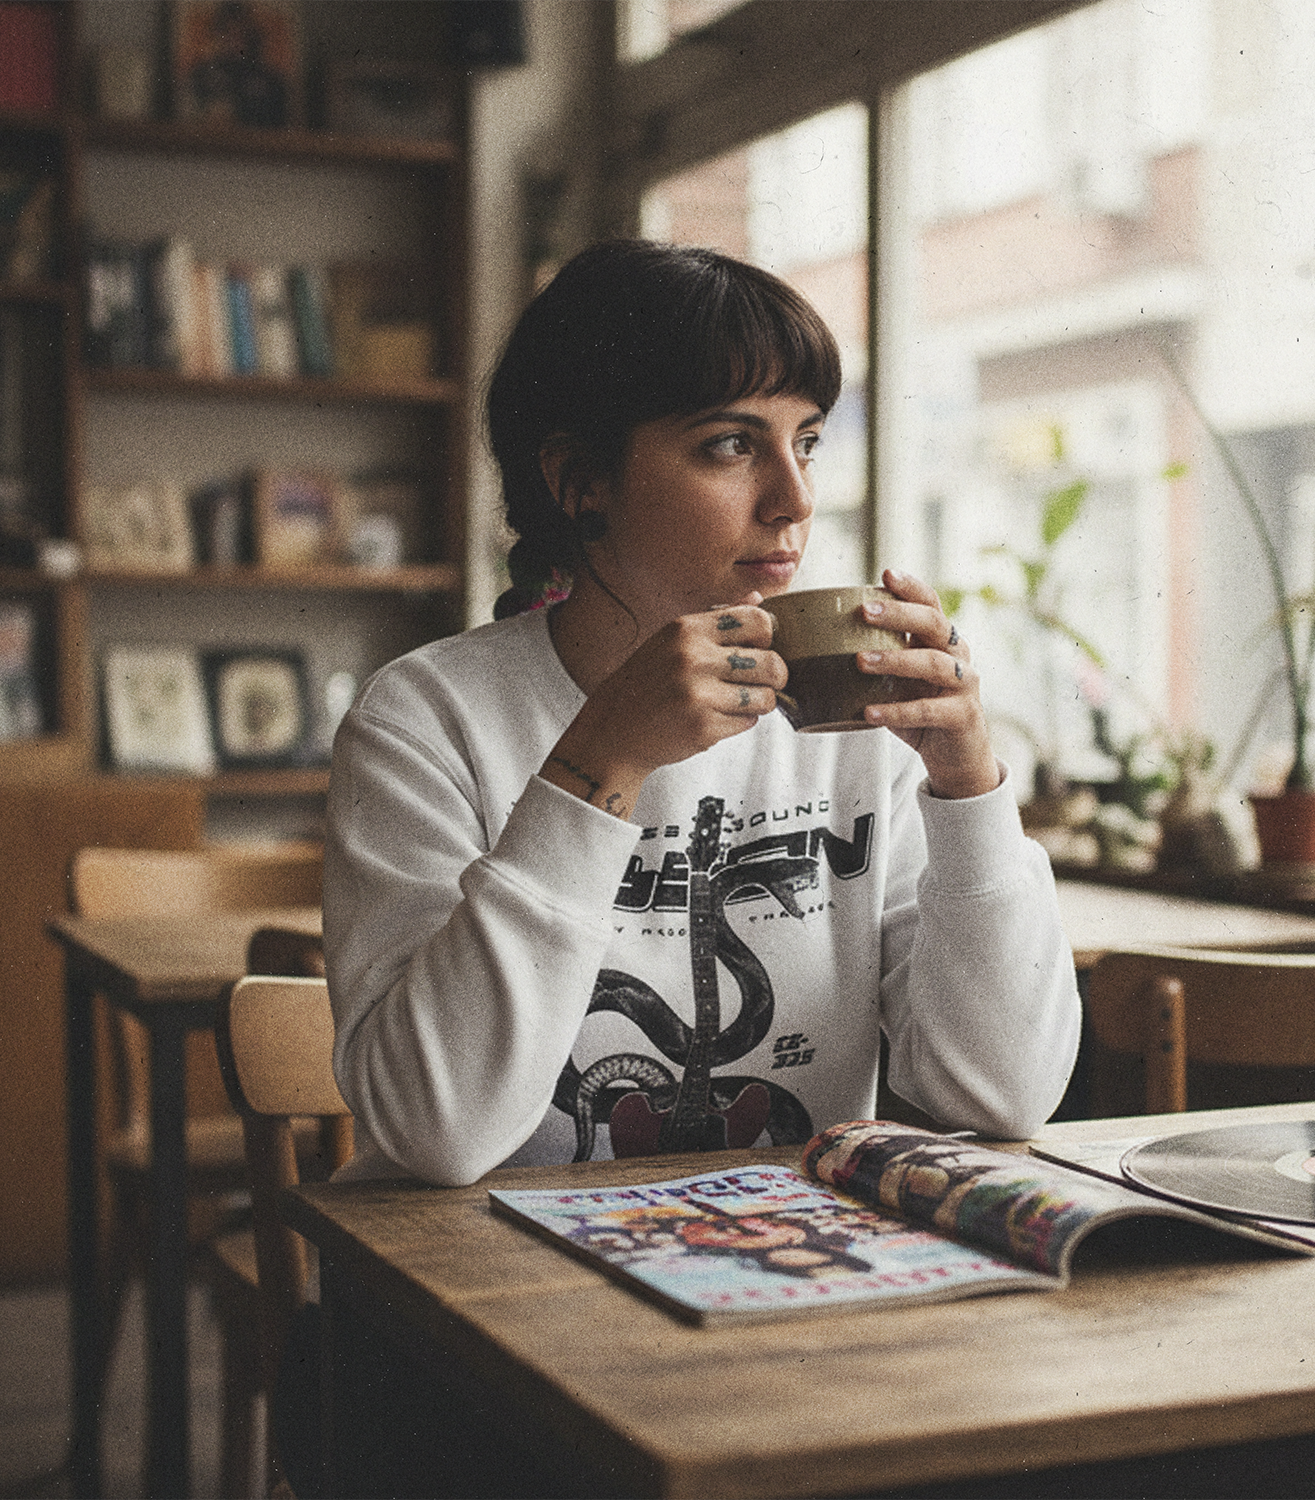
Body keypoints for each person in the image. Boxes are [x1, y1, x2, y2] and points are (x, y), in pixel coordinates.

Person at [321, 239, 1081, 1197]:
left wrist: (968, 786)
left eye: (805, 441)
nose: (794, 499)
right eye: (731, 445)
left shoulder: (854, 732)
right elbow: (438, 1130)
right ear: (578, 479)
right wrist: (600, 757)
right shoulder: (427, 719)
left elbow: (1003, 1098)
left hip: (780, 1275)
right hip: (492, 1291)